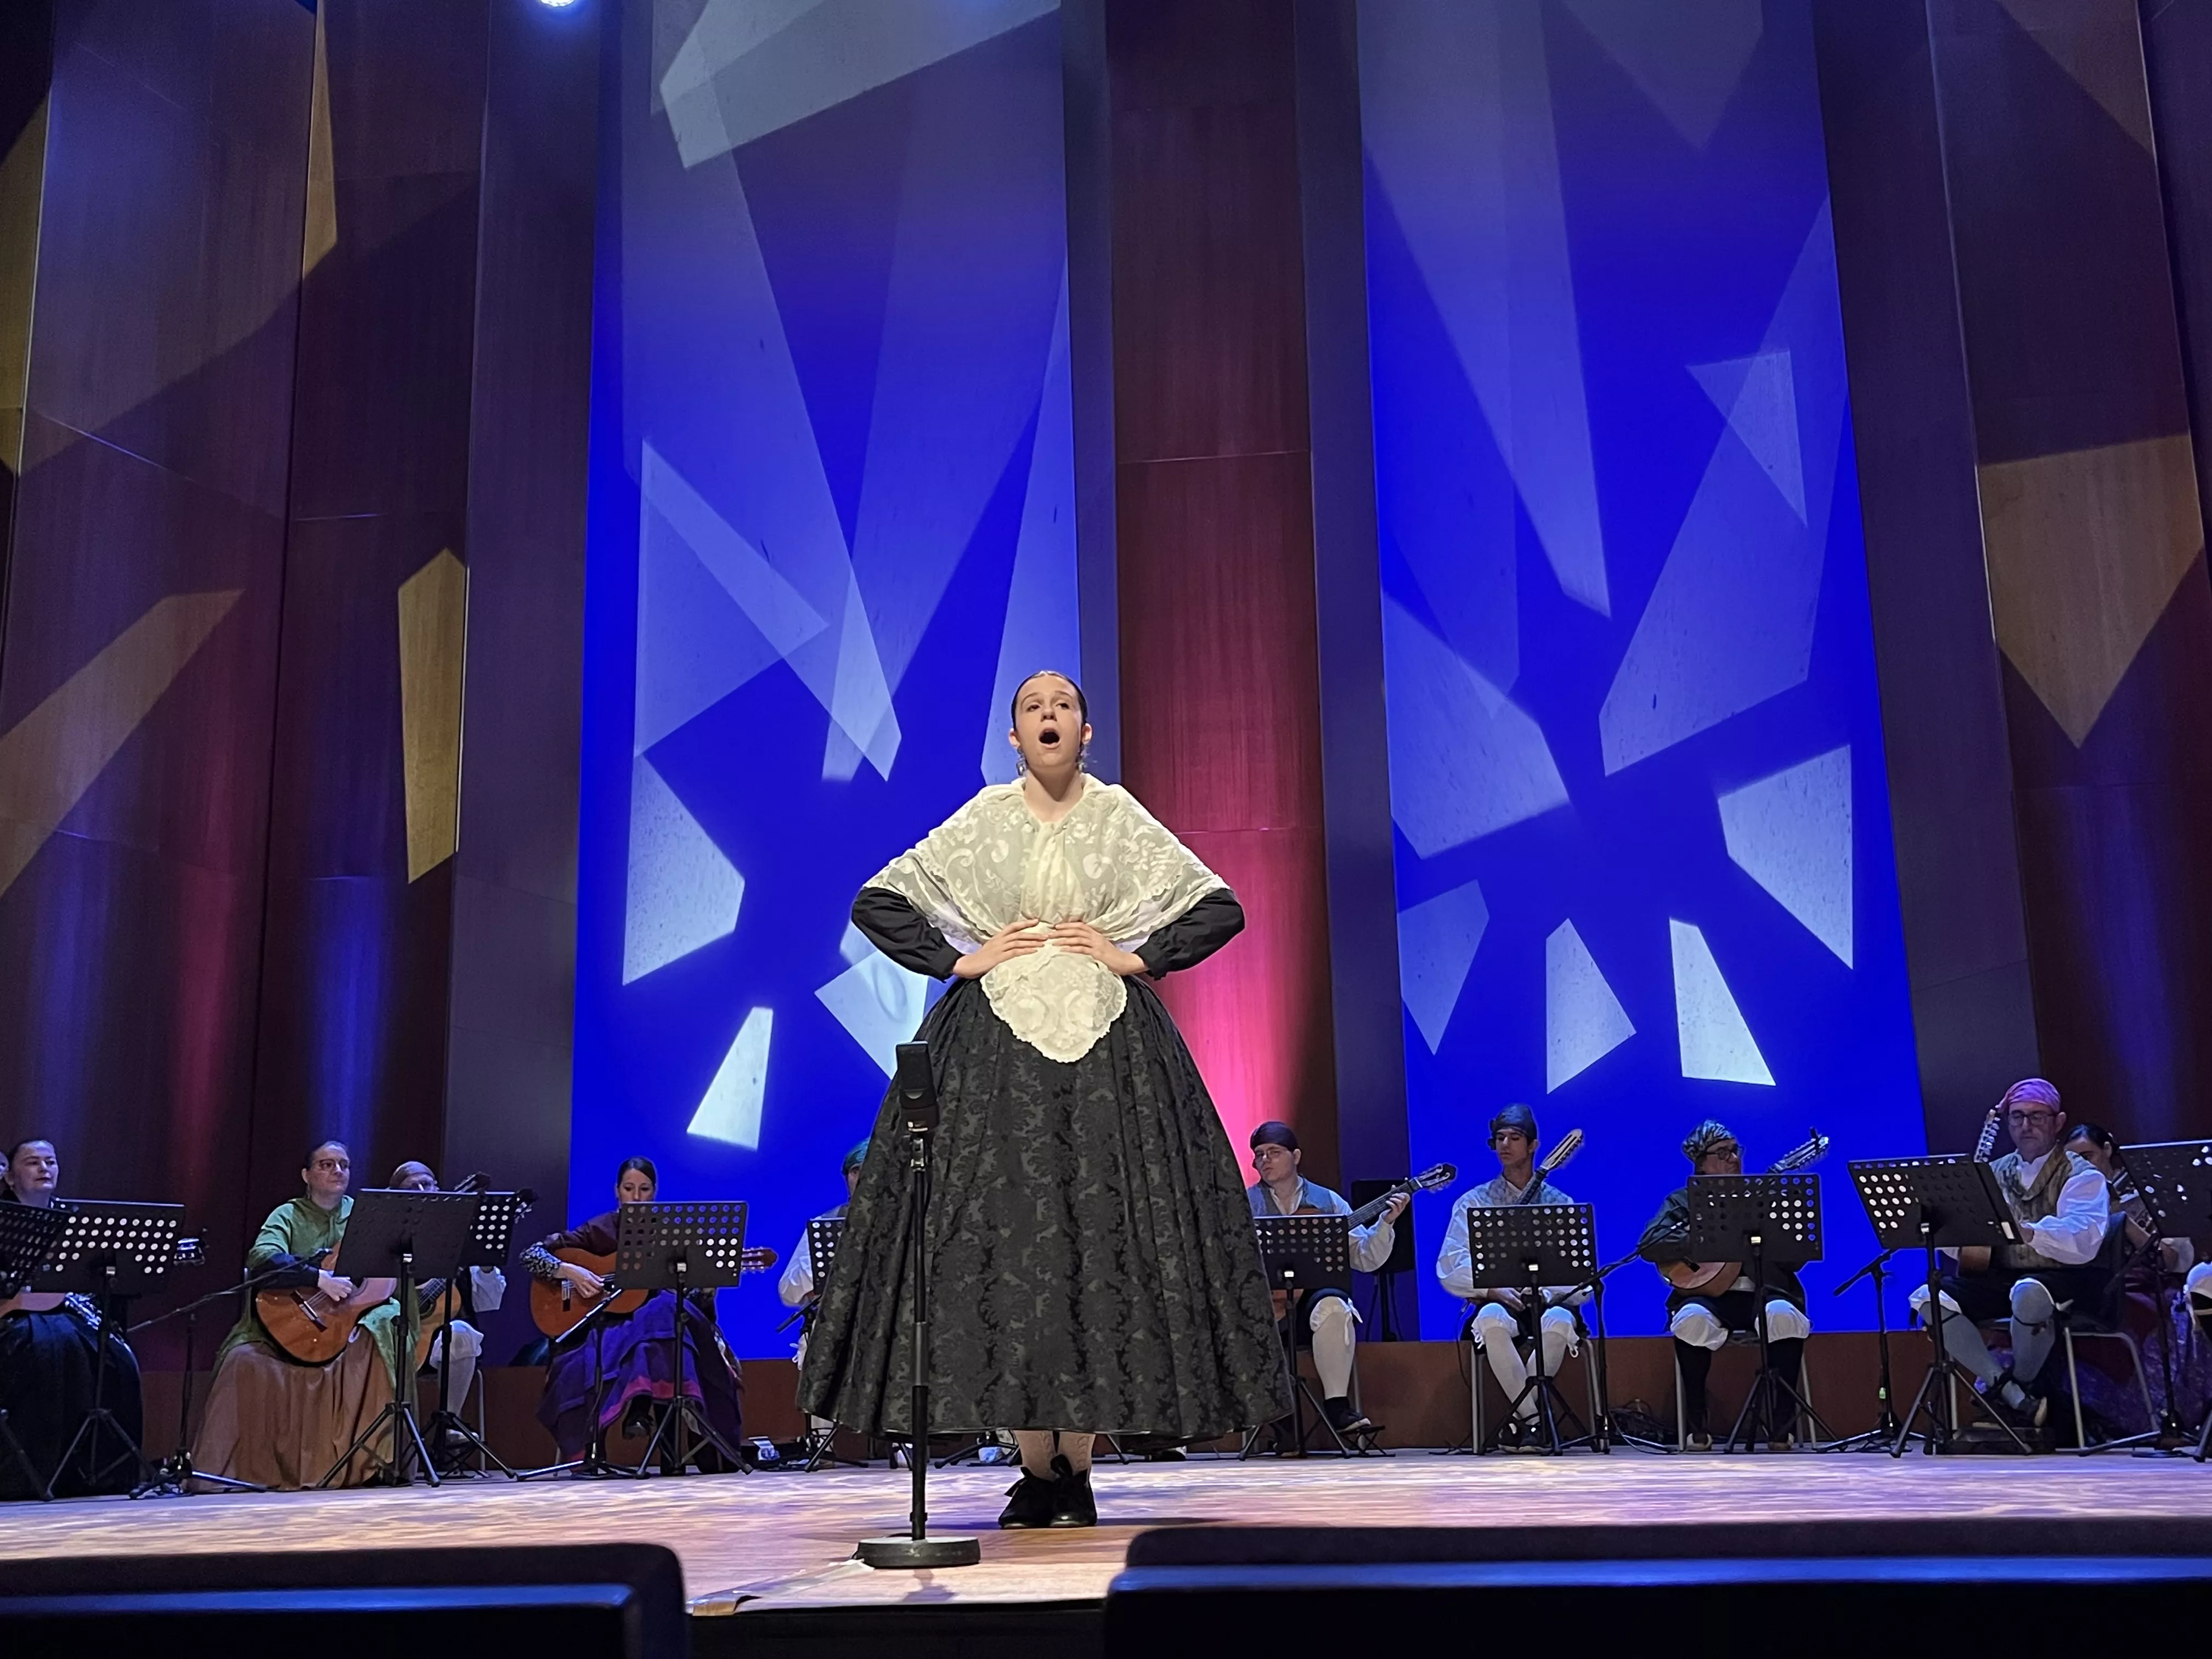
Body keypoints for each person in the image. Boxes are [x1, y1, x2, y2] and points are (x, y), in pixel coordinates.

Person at [799, 670, 1288, 1531]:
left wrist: (1138, 956)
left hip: (1112, 1058)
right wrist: (960, 959)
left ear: (1086, 731)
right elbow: (880, 900)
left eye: (1063, 705)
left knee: (1100, 1245)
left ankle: (1080, 1468)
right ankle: (1037, 1468)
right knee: (1007, 1249)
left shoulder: (1118, 814)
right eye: (1033, 708)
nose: (1050, 715)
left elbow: (1220, 907)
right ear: (1015, 737)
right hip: (994, 1059)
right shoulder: (984, 816)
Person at [192, 1141, 401, 1488]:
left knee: (377, 1336)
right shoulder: (287, 1215)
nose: (337, 1171)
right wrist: (318, 1278)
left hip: (348, 1330)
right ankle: (236, 1472)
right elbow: (261, 1258)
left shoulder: (367, 1216)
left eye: (344, 1165)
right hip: (291, 1325)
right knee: (241, 1359)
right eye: (326, 1164)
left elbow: (387, 1271)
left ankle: (367, 1464)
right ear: (306, 1175)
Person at [1906, 1078, 2109, 1426]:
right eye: (2017, 1117)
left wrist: (2028, 1231)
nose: (2026, 1125)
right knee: (1929, 1297)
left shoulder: (2080, 1173)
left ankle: (2014, 1391)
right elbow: (1970, 1251)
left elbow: (2084, 1237)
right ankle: (2012, 1394)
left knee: (2028, 1292)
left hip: (2067, 1277)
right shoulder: (1991, 1173)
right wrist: (1946, 1227)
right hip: (2002, 1278)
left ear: (2058, 1122)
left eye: (2037, 1116)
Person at [520, 1156, 744, 1469]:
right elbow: (531, 1255)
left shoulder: (669, 1236)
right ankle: (629, 1418)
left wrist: (707, 1285)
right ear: (617, 1191)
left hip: (657, 1330)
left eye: (644, 1189)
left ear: (655, 1192)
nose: (637, 1197)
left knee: (665, 1312)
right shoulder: (599, 1229)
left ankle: (655, 1427)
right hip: (601, 1325)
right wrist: (569, 1272)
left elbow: (688, 1298)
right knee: (658, 1322)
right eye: (629, 1189)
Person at [1638, 1120, 1812, 1450]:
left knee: (1783, 1316)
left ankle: (1782, 1425)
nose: (1733, 1158)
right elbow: (1649, 1244)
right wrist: (1705, 1237)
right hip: (1708, 1296)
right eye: (1723, 1153)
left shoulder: (1764, 1197)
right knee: (1690, 1319)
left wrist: (1775, 1238)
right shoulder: (1682, 1202)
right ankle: (1697, 1422)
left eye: (1736, 1150)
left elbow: (1795, 1261)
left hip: (1767, 1291)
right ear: (1701, 1163)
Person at [0, 1138, 146, 1498]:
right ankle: (30, 1473)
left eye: (50, 1161)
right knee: (48, 1343)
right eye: (32, 1162)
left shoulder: (75, 1219)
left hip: (62, 1314)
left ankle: (97, 1472)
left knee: (116, 1355)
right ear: (11, 1178)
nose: (43, 1168)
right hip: (15, 1319)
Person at [1247, 1120, 1406, 1439]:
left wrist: (1386, 1223)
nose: (1264, 1160)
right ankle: (1277, 1417)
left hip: (1309, 1306)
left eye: (1274, 1153)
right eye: (1259, 1154)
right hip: (1265, 1306)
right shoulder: (1243, 1203)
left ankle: (1337, 1406)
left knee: (1334, 1305)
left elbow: (1364, 1257)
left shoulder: (1329, 1202)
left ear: (1296, 1156)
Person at [1436, 1104, 1582, 1442]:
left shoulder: (1560, 1202)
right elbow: (1449, 1267)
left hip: (1547, 1303)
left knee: (1561, 1320)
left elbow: (1580, 1280)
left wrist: (1544, 1293)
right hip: (1501, 1301)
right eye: (1500, 1138)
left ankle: (1522, 1425)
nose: (1505, 1145)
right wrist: (1493, 1290)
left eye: (1515, 1138)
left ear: (1533, 1146)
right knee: (1489, 1318)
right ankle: (1535, 1419)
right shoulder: (1473, 1202)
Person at [388, 1160, 507, 1421]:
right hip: (392, 1339)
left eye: (427, 1184)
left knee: (463, 1336)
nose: (422, 1190)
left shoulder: (459, 1235)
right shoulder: (386, 1237)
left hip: (437, 1344)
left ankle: (448, 1423)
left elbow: (488, 1302)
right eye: (412, 1187)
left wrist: (487, 1266)